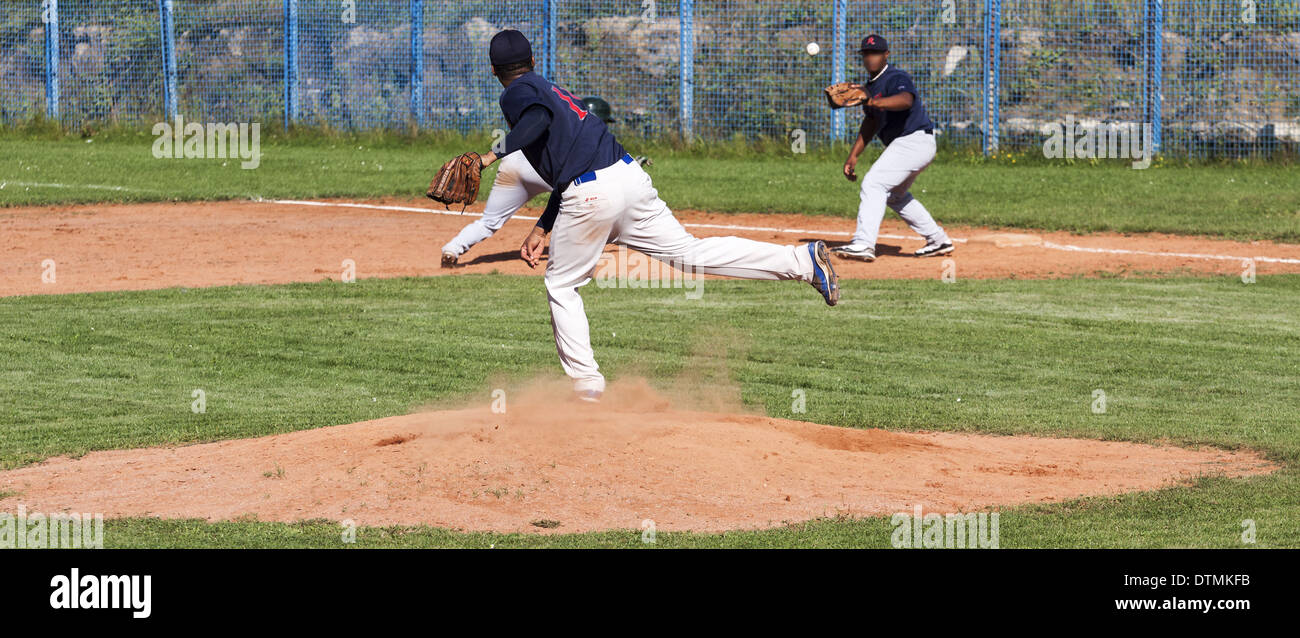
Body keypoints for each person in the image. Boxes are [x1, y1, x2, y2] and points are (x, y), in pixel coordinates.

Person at [465, 29, 840, 402]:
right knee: (690, 254)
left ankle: (587, 386)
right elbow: (566, 158)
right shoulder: (549, 89)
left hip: (592, 194)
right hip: (627, 177)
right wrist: (543, 226)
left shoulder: (515, 92)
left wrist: (488, 156)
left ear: (494, 70)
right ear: (532, 61)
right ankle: (802, 261)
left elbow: (534, 124)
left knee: (562, 286)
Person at [833, 34, 954, 262]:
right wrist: (853, 156)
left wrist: (873, 102)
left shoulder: (895, 76)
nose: (871, 58)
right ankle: (938, 239)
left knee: (874, 183)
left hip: (914, 140)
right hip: (909, 145)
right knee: (895, 196)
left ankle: (863, 244)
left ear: (886, 55)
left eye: (876, 53)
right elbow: (870, 123)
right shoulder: (869, 89)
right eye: (867, 54)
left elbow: (906, 100)